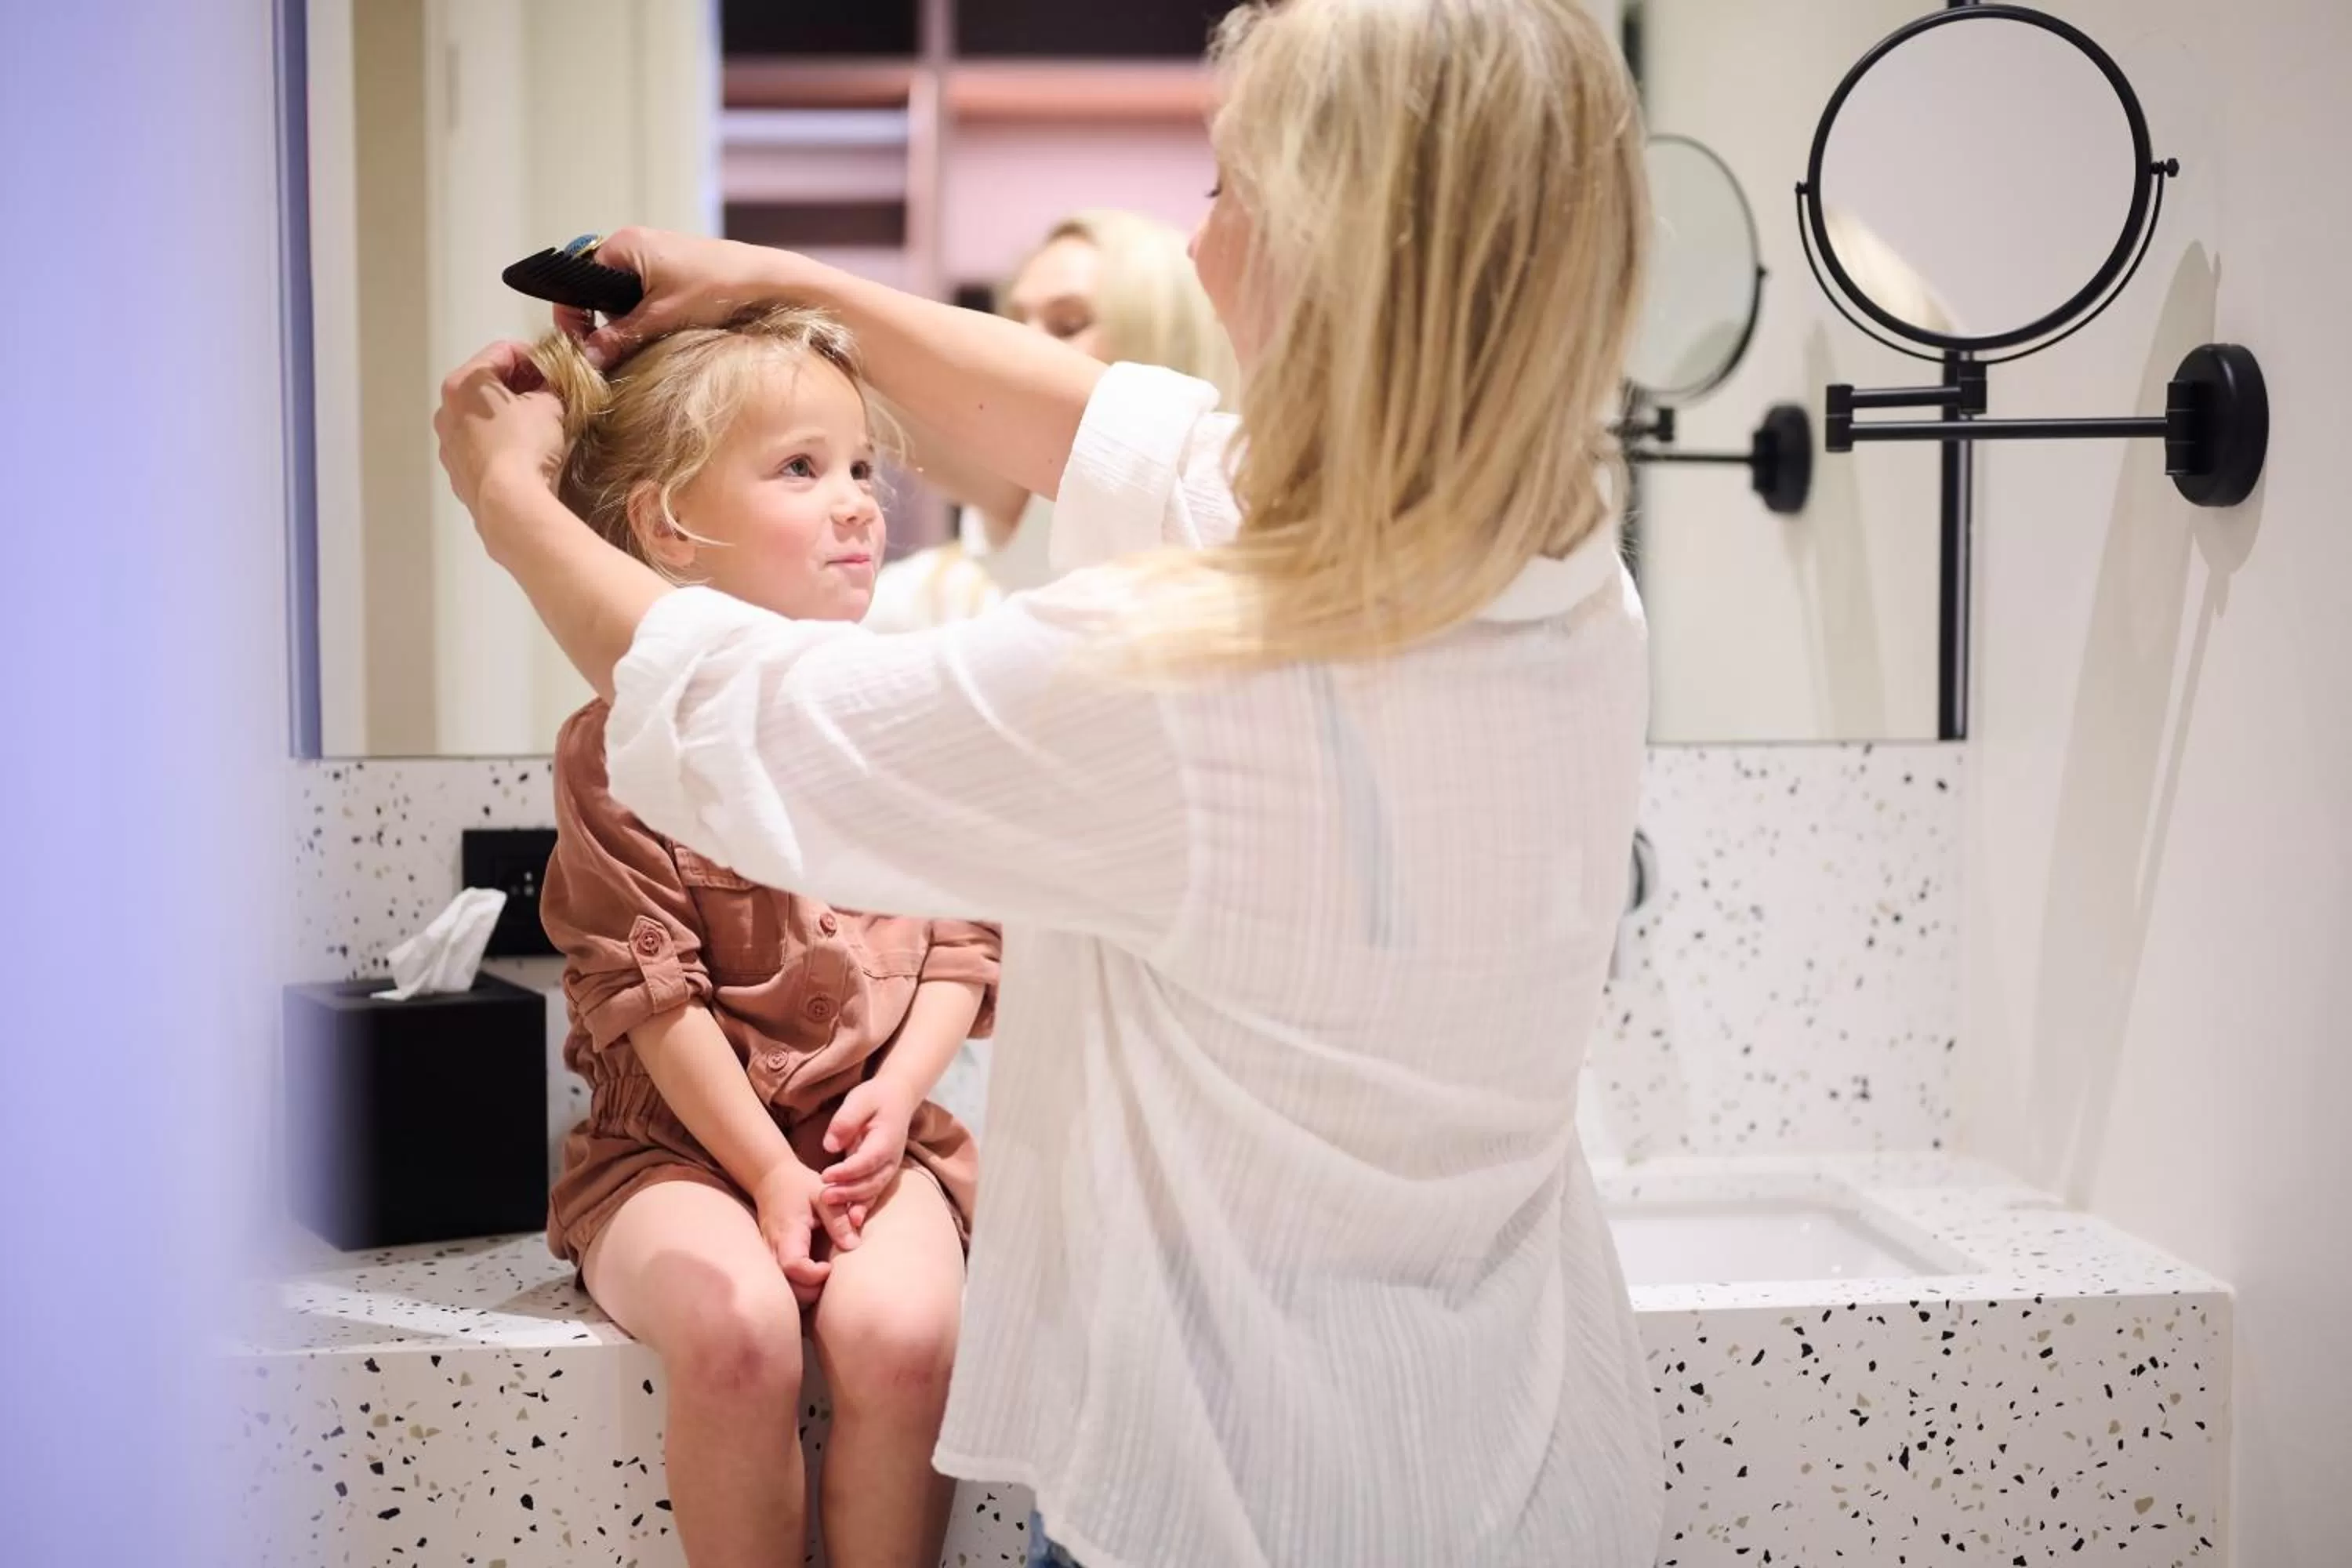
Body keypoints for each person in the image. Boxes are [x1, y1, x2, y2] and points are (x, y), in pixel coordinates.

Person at [436, 1, 1666, 1563]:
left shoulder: (1193, 681)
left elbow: (758, 725)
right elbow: (1120, 430)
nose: (1200, 249)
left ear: (1332, 253)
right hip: (1519, 1471)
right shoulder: (1567, 579)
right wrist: (772, 284)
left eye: (1227, 192)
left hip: (1241, 1514)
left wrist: (512, 500)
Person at [529, 305, 998, 1568]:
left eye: (861, 468)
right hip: (672, 1154)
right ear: (671, 527)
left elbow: (963, 940)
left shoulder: (910, 713)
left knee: (906, 1338)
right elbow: (652, 996)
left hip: (864, 1136)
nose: (857, 504)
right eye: (800, 468)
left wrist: (894, 1098)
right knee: (738, 1334)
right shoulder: (621, 750)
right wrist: (767, 1173)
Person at [864, 209, 1238, 632]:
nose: (1017, 348)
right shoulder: (940, 591)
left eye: (1067, 325)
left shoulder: (1222, 579)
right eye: (1013, 323)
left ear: (1166, 351)